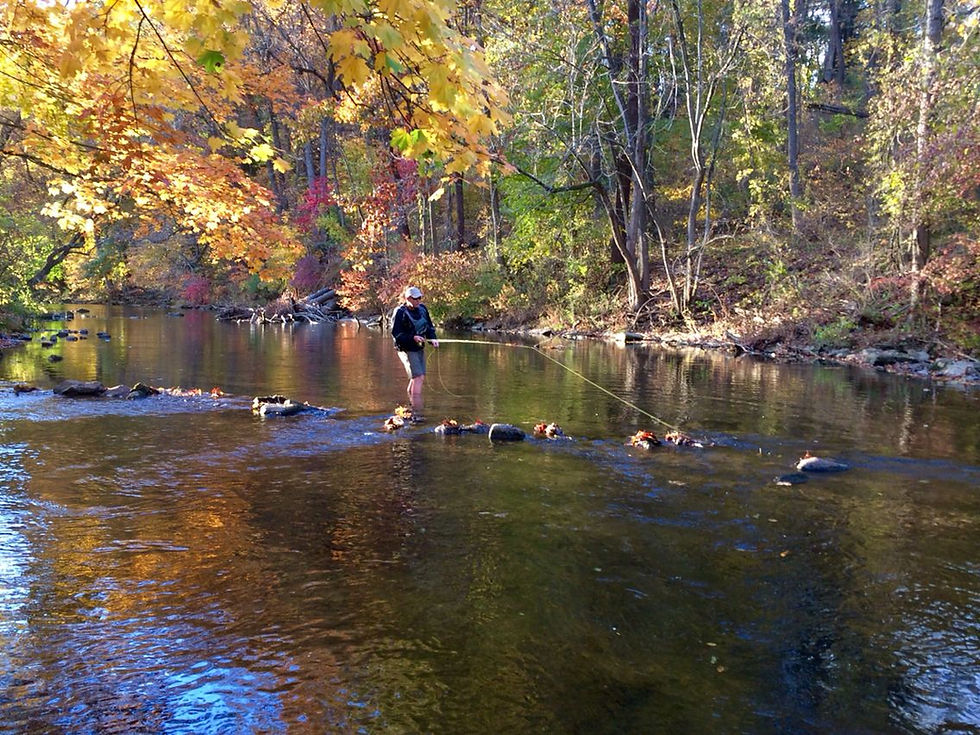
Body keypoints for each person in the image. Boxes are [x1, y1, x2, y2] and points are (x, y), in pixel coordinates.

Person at [391, 285, 439, 413]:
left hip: (418, 347)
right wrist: (413, 337)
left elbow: (429, 327)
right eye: (415, 298)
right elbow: (396, 334)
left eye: (419, 298)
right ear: (408, 298)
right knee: (418, 376)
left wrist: (433, 339)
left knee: (418, 376)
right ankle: (417, 410)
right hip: (405, 348)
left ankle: (411, 404)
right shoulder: (400, 312)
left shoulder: (422, 309)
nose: (418, 301)